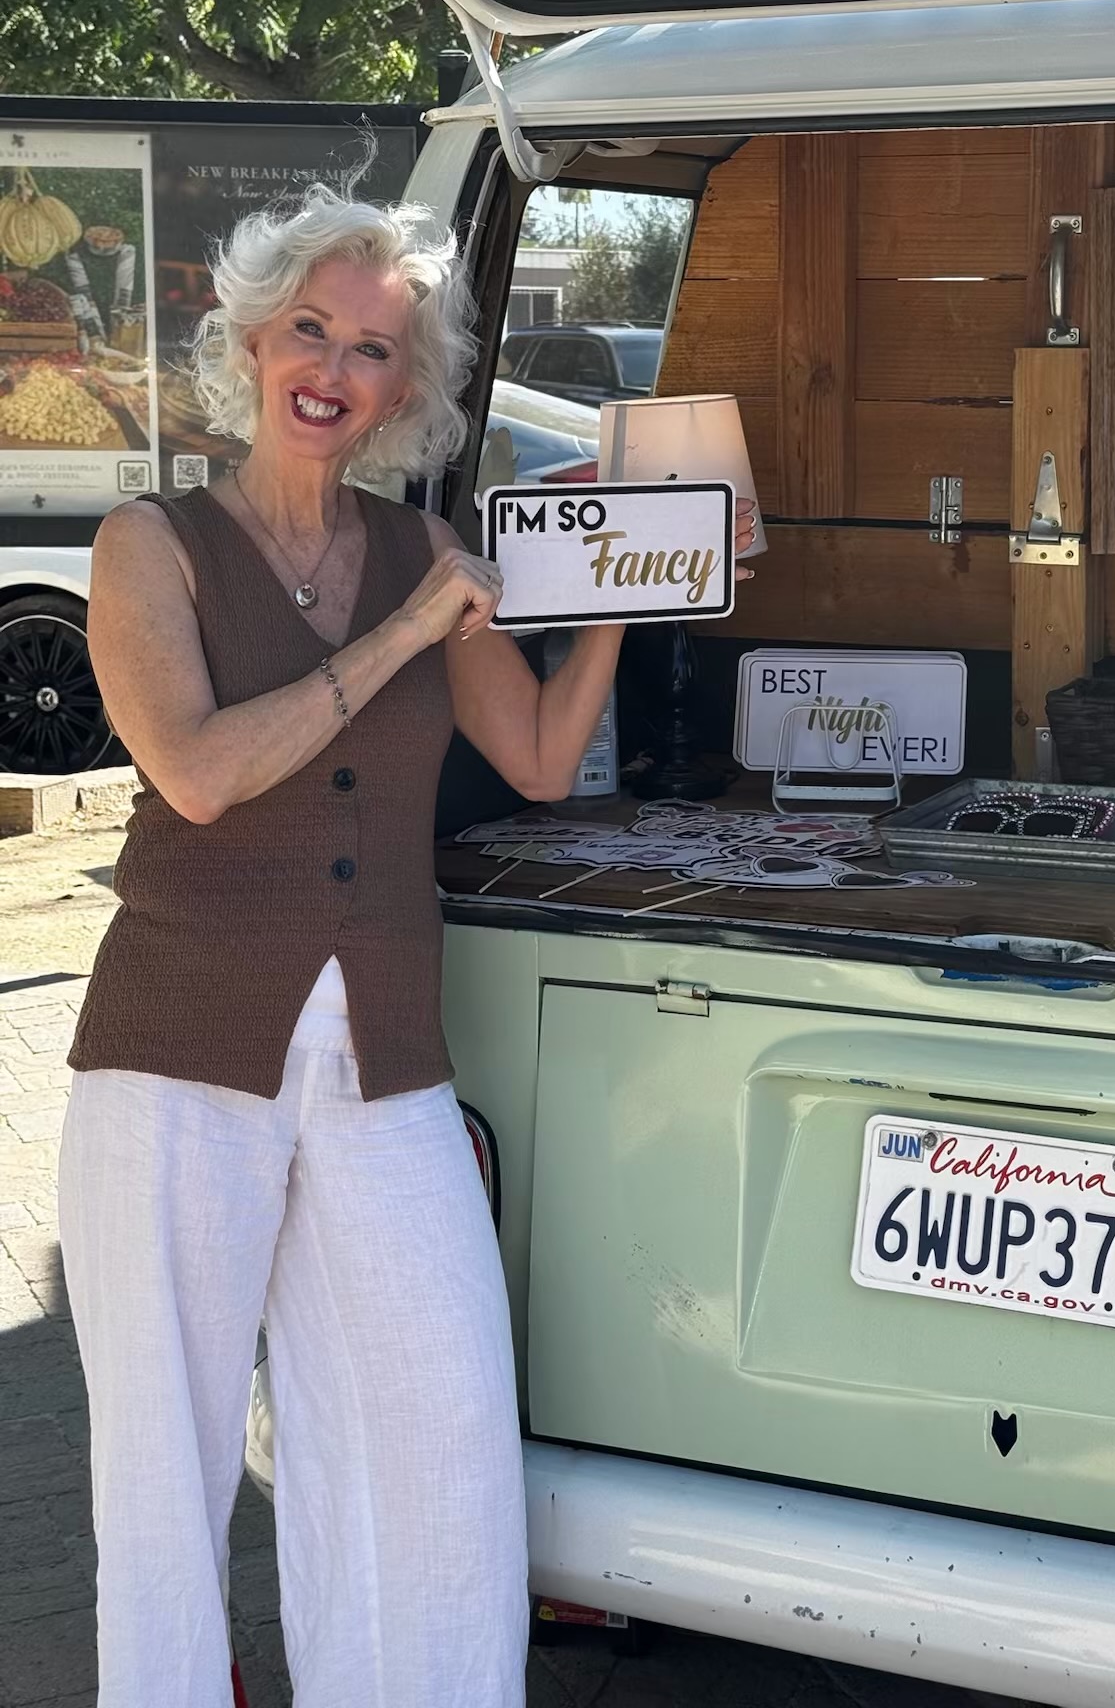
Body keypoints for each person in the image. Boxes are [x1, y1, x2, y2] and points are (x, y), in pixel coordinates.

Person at [57, 183, 755, 1708]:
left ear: (404, 387)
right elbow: (197, 772)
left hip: (384, 1048)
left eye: (374, 349)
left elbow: (543, 757)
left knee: (431, 1429)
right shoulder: (147, 545)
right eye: (310, 328)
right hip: (177, 1044)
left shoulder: (422, 545)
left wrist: (643, 580)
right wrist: (401, 633)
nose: (334, 368)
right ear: (250, 340)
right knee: (162, 1475)